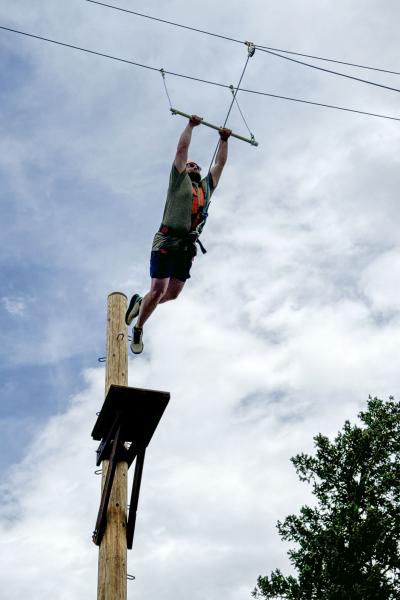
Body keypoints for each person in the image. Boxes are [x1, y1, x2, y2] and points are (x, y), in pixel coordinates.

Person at [126, 115, 231, 354]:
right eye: (191, 164)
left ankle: (140, 305)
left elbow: (220, 165)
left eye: (197, 166)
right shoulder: (178, 180)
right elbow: (182, 148)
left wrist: (224, 140)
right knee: (158, 290)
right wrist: (191, 126)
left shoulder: (206, 187)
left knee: (172, 294)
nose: (194, 167)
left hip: (186, 248)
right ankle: (139, 327)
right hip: (166, 241)